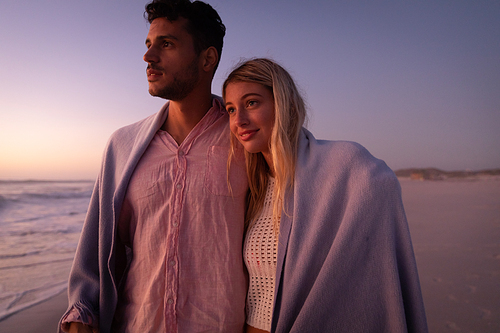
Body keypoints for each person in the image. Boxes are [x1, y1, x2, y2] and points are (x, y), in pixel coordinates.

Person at [59, 1, 249, 332]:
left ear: (207, 58)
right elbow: (97, 247)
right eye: (148, 44)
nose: (148, 56)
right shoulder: (123, 145)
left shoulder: (247, 138)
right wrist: (82, 313)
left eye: (167, 44)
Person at [223, 58, 428, 333]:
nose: (239, 120)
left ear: (284, 104)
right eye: (231, 109)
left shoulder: (343, 164)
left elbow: (380, 184)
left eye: (251, 103)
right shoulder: (251, 190)